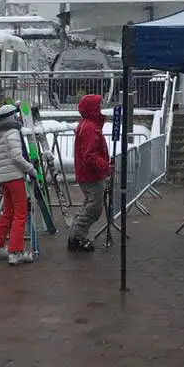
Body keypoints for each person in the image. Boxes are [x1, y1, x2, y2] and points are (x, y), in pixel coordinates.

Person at [0, 104, 38, 266]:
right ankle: (15, 251)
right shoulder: (12, 132)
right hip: (15, 177)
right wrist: (31, 169)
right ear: (11, 117)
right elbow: (16, 156)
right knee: (20, 213)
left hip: (4, 177)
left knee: (8, 212)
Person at [68, 93, 112, 253]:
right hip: (91, 174)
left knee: (90, 204)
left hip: (88, 173)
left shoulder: (88, 125)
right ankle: (77, 237)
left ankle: (76, 233)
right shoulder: (90, 127)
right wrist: (104, 166)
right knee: (93, 207)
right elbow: (89, 154)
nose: (101, 110)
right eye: (98, 107)